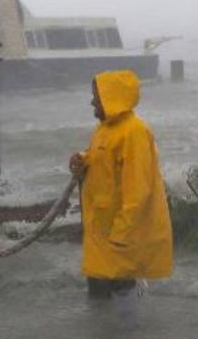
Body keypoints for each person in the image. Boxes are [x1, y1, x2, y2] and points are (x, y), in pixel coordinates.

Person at [69, 70, 173, 301]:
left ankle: (127, 337)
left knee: (121, 310)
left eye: (97, 96)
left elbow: (139, 190)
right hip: (101, 239)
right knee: (101, 309)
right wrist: (82, 159)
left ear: (111, 97)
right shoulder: (105, 130)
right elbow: (104, 163)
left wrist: (121, 236)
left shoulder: (134, 132)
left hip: (118, 241)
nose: (93, 101)